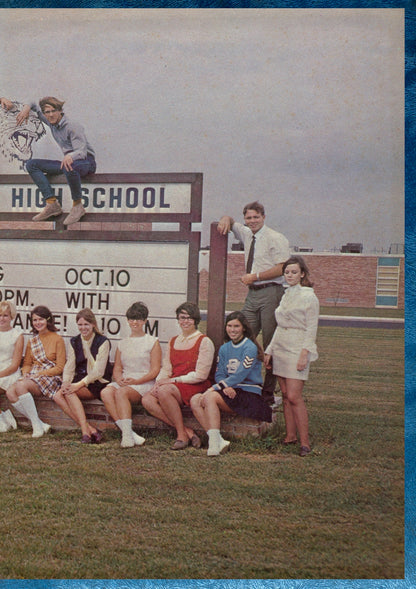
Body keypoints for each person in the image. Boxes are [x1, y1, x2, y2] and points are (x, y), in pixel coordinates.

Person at [217, 201, 290, 405]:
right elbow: (231, 223)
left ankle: (268, 394)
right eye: (248, 218)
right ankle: (247, 382)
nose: (252, 221)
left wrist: (255, 276)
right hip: (253, 294)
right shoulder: (247, 233)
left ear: (264, 217)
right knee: (241, 332)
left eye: (256, 217)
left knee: (270, 343)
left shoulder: (276, 238)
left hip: (272, 292)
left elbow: (283, 267)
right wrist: (225, 219)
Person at [0, 95, 96, 225]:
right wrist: (24, 108)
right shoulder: (51, 122)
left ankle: (78, 206)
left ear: (60, 111)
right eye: (47, 112)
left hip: (85, 162)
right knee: (32, 164)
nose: (50, 115)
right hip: (68, 162)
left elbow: (82, 152)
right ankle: (52, 204)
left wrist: (70, 156)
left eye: (53, 111)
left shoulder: (72, 126)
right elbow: (33, 101)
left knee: (70, 165)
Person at [190, 311, 272, 456]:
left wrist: (216, 388)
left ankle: (213, 444)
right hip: (230, 389)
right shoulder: (224, 348)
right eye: (229, 326)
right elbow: (219, 373)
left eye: (236, 326)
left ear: (244, 328)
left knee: (209, 397)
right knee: (195, 400)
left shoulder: (250, 347)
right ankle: (217, 440)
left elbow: (241, 374)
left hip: (248, 393)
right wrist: (225, 386)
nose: (232, 330)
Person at [264, 256, 319, 457]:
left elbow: (311, 328)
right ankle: (290, 436)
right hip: (281, 347)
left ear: (302, 274)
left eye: (294, 272)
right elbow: (280, 325)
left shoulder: (309, 296)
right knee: (286, 395)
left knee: (295, 396)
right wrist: (269, 350)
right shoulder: (285, 295)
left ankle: (305, 443)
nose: (290, 275)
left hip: (298, 348)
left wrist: (305, 353)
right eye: (287, 272)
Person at [142, 302, 215, 450]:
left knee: (165, 390)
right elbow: (167, 368)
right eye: (182, 317)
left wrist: (172, 381)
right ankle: (186, 431)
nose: (185, 321)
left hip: (195, 385)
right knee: (147, 399)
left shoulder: (204, 341)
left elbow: (201, 375)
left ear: (195, 320)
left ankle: (181, 436)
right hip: (174, 384)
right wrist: (158, 382)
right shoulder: (174, 340)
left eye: (189, 318)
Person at [100, 302, 162, 448]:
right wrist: (119, 378)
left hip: (144, 382)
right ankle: (128, 432)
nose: (135, 322)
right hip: (127, 381)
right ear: (127, 320)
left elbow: (155, 370)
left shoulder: (153, 342)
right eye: (132, 319)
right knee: (106, 392)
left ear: (145, 321)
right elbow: (118, 367)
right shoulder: (123, 343)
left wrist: (137, 381)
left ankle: (126, 437)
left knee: (121, 393)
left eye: (139, 319)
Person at [53, 308, 112, 444]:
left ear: (93, 324)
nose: (83, 328)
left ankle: (85, 432)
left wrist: (77, 385)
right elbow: (70, 365)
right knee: (58, 395)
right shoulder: (74, 341)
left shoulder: (103, 341)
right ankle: (90, 429)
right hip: (79, 379)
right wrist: (66, 382)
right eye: (80, 324)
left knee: (68, 393)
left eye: (86, 324)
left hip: (97, 382)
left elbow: (98, 372)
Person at [6, 305, 66, 438]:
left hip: (50, 377)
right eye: (35, 320)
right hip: (34, 376)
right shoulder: (32, 341)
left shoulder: (57, 339)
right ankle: (39, 424)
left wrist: (38, 374)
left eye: (41, 319)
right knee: (10, 392)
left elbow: (60, 367)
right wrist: (26, 372)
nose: (38, 323)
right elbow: (27, 363)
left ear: (48, 320)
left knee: (21, 386)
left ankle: (36, 426)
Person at [0, 302, 24, 433]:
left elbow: (15, 365)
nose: (2, 318)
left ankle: (2, 420)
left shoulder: (17, 335)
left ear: (11, 317)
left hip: (9, 373)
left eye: (5, 315)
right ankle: (4, 416)